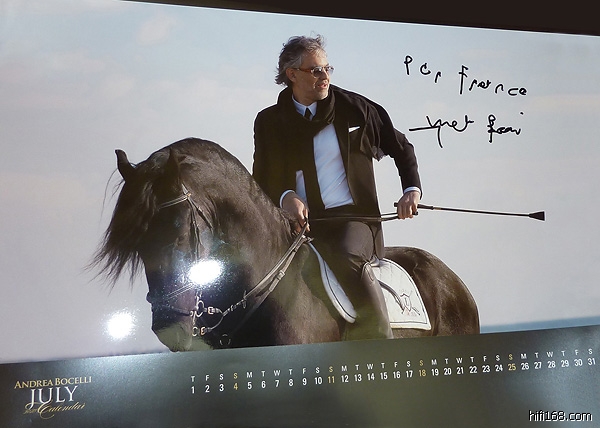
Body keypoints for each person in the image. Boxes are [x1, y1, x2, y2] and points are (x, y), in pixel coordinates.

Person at [252, 34, 421, 340]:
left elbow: (401, 147)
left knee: (344, 255)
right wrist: (286, 196)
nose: (325, 76)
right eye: (316, 70)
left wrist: (411, 190)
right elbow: (262, 177)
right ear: (292, 75)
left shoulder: (356, 109)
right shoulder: (269, 121)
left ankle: (381, 337)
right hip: (299, 227)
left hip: (355, 223)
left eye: (327, 68)